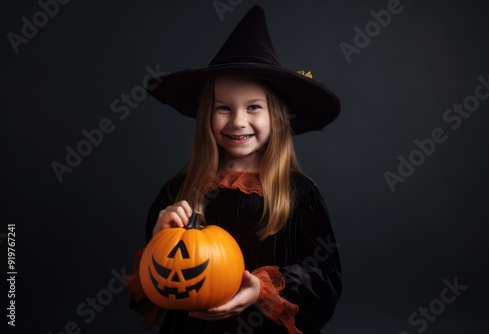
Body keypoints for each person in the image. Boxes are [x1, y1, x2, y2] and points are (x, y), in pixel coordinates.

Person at [125, 5, 342, 334]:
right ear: (206, 116)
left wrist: (261, 290)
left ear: (276, 116)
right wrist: (160, 239)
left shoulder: (298, 194)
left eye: (253, 107)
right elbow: (160, 282)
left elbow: (324, 274)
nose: (238, 121)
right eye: (223, 108)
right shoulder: (177, 191)